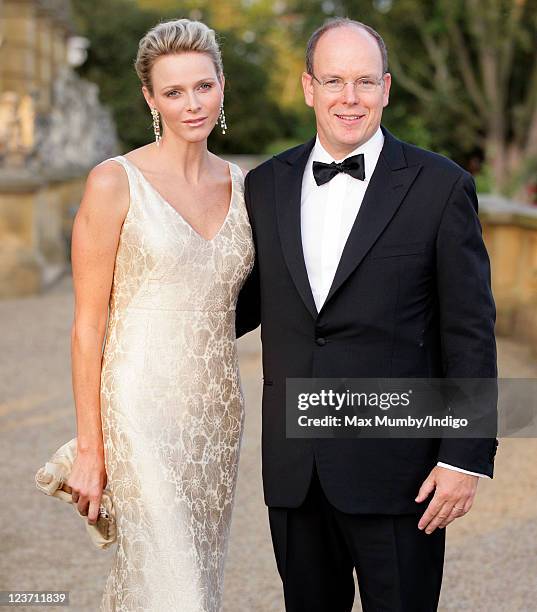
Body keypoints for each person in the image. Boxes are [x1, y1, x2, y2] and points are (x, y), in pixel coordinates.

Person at [236, 18, 498, 612]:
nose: (348, 98)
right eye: (333, 80)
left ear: (386, 87)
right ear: (308, 87)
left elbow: (470, 331)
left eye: (363, 81)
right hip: (295, 470)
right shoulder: (264, 185)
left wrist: (465, 456)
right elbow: (236, 305)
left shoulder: (441, 185)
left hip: (403, 471)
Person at [67, 19, 254, 611]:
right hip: (139, 412)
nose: (192, 104)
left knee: (193, 577)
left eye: (203, 86)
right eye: (173, 92)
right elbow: (87, 326)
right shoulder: (114, 183)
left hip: (217, 412)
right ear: (150, 98)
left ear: (222, 85)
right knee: (173, 586)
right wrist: (91, 449)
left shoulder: (246, 187)